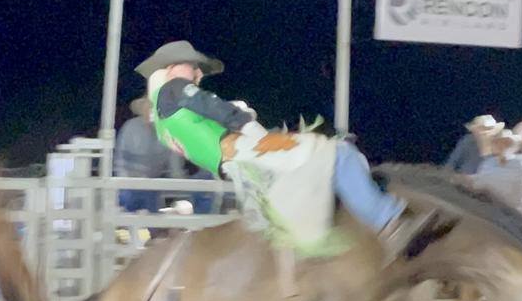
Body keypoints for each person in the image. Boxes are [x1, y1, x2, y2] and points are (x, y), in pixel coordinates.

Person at [134, 40, 417, 280]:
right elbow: (212, 106)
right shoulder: (174, 89)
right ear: (170, 69)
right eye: (191, 66)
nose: (197, 72)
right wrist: (247, 124)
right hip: (245, 150)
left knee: (325, 160)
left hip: (235, 166)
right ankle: (387, 221)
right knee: (339, 153)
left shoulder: (161, 122)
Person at [114, 96, 175, 213]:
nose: (151, 112)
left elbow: (174, 165)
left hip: (152, 185)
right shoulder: (130, 127)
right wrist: (126, 181)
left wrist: (178, 185)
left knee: (152, 210)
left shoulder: (170, 132)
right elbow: (119, 160)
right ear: (142, 110)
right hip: (128, 184)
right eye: (148, 108)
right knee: (128, 203)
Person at [473, 129, 522, 214]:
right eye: (498, 143)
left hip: (507, 210)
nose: (501, 147)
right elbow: (480, 179)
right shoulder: (489, 162)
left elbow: (500, 182)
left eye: (506, 144)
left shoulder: (520, 164)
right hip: (485, 203)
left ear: (512, 147)